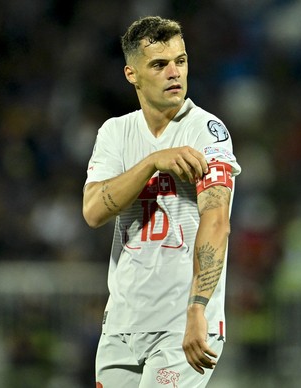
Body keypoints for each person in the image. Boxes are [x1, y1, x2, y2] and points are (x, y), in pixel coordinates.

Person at [82, 16, 241, 388]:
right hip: (122, 324)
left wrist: (198, 308)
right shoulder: (115, 133)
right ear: (131, 74)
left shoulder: (207, 132)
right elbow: (93, 211)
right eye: (159, 64)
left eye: (181, 61)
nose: (174, 73)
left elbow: (217, 222)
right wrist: (153, 161)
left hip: (181, 323)